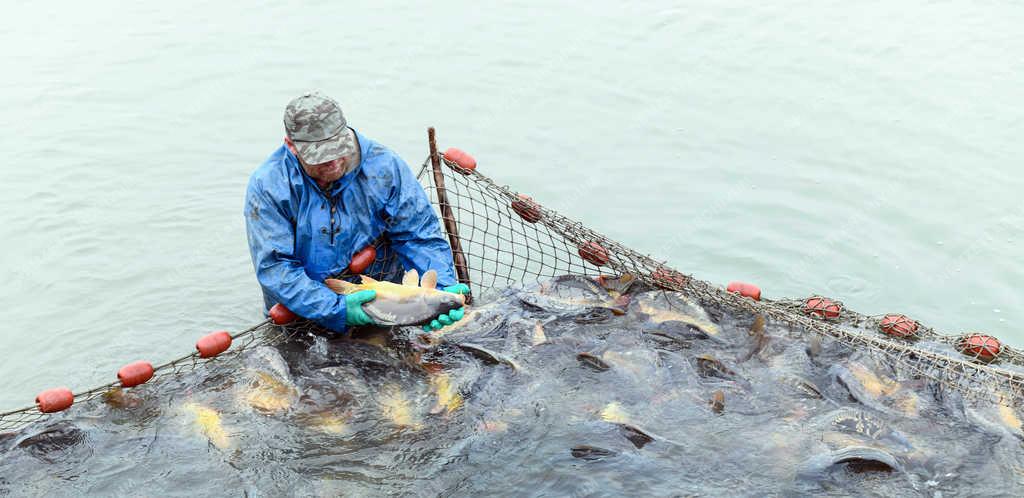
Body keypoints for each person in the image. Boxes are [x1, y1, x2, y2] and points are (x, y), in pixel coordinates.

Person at [244, 91, 468, 333]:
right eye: (321, 156)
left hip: (387, 307)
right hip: (302, 313)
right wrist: (338, 308)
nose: (334, 162)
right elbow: (276, 268)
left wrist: (440, 291)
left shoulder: (384, 166)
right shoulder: (269, 186)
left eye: (338, 149)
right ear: (291, 146)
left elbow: (418, 235)